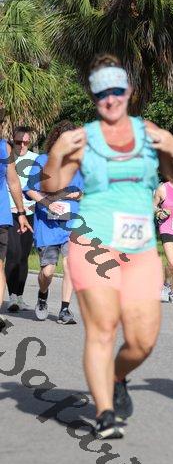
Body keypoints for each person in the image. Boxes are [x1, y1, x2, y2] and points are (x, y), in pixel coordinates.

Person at [42, 54, 173, 439]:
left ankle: (115, 377)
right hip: (93, 243)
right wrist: (58, 153)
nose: (109, 99)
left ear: (128, 91)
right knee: (103, 328)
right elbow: (50, 184)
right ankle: (105, 413)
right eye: (101, 92)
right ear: (94, 97)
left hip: (140, 250)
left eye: (116, 90)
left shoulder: (150, 133)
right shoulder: (82, 139)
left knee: (142, 341)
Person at [25, 121, 84, 324]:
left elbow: (84, 191)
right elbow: (30, 189)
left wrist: (79, 194)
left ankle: (64, 309)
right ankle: (42, 295)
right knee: (48, 271)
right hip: (47, 224)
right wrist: (48, 202)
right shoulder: (43, 160)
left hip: (71, 222)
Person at [0, 126, 33, 330]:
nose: (22, 145)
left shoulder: (6, 147)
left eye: (25, 142)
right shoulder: (4, 149)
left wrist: (22, 212)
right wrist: (20, 212)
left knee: (18, 257)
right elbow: (12, 182)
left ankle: (15, 298)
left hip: (8, 215)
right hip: (4, 214)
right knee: (2, 263)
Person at [6, 126, 36, 312]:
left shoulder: (36, 159)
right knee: (13, 253)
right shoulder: (7, 158)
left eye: (26, 142)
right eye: (18, 142)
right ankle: (11, 297)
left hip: (30, 212)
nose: (22, 146)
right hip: (10, 212)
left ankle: (20, 296)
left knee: (24, 256)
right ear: (12, 141)